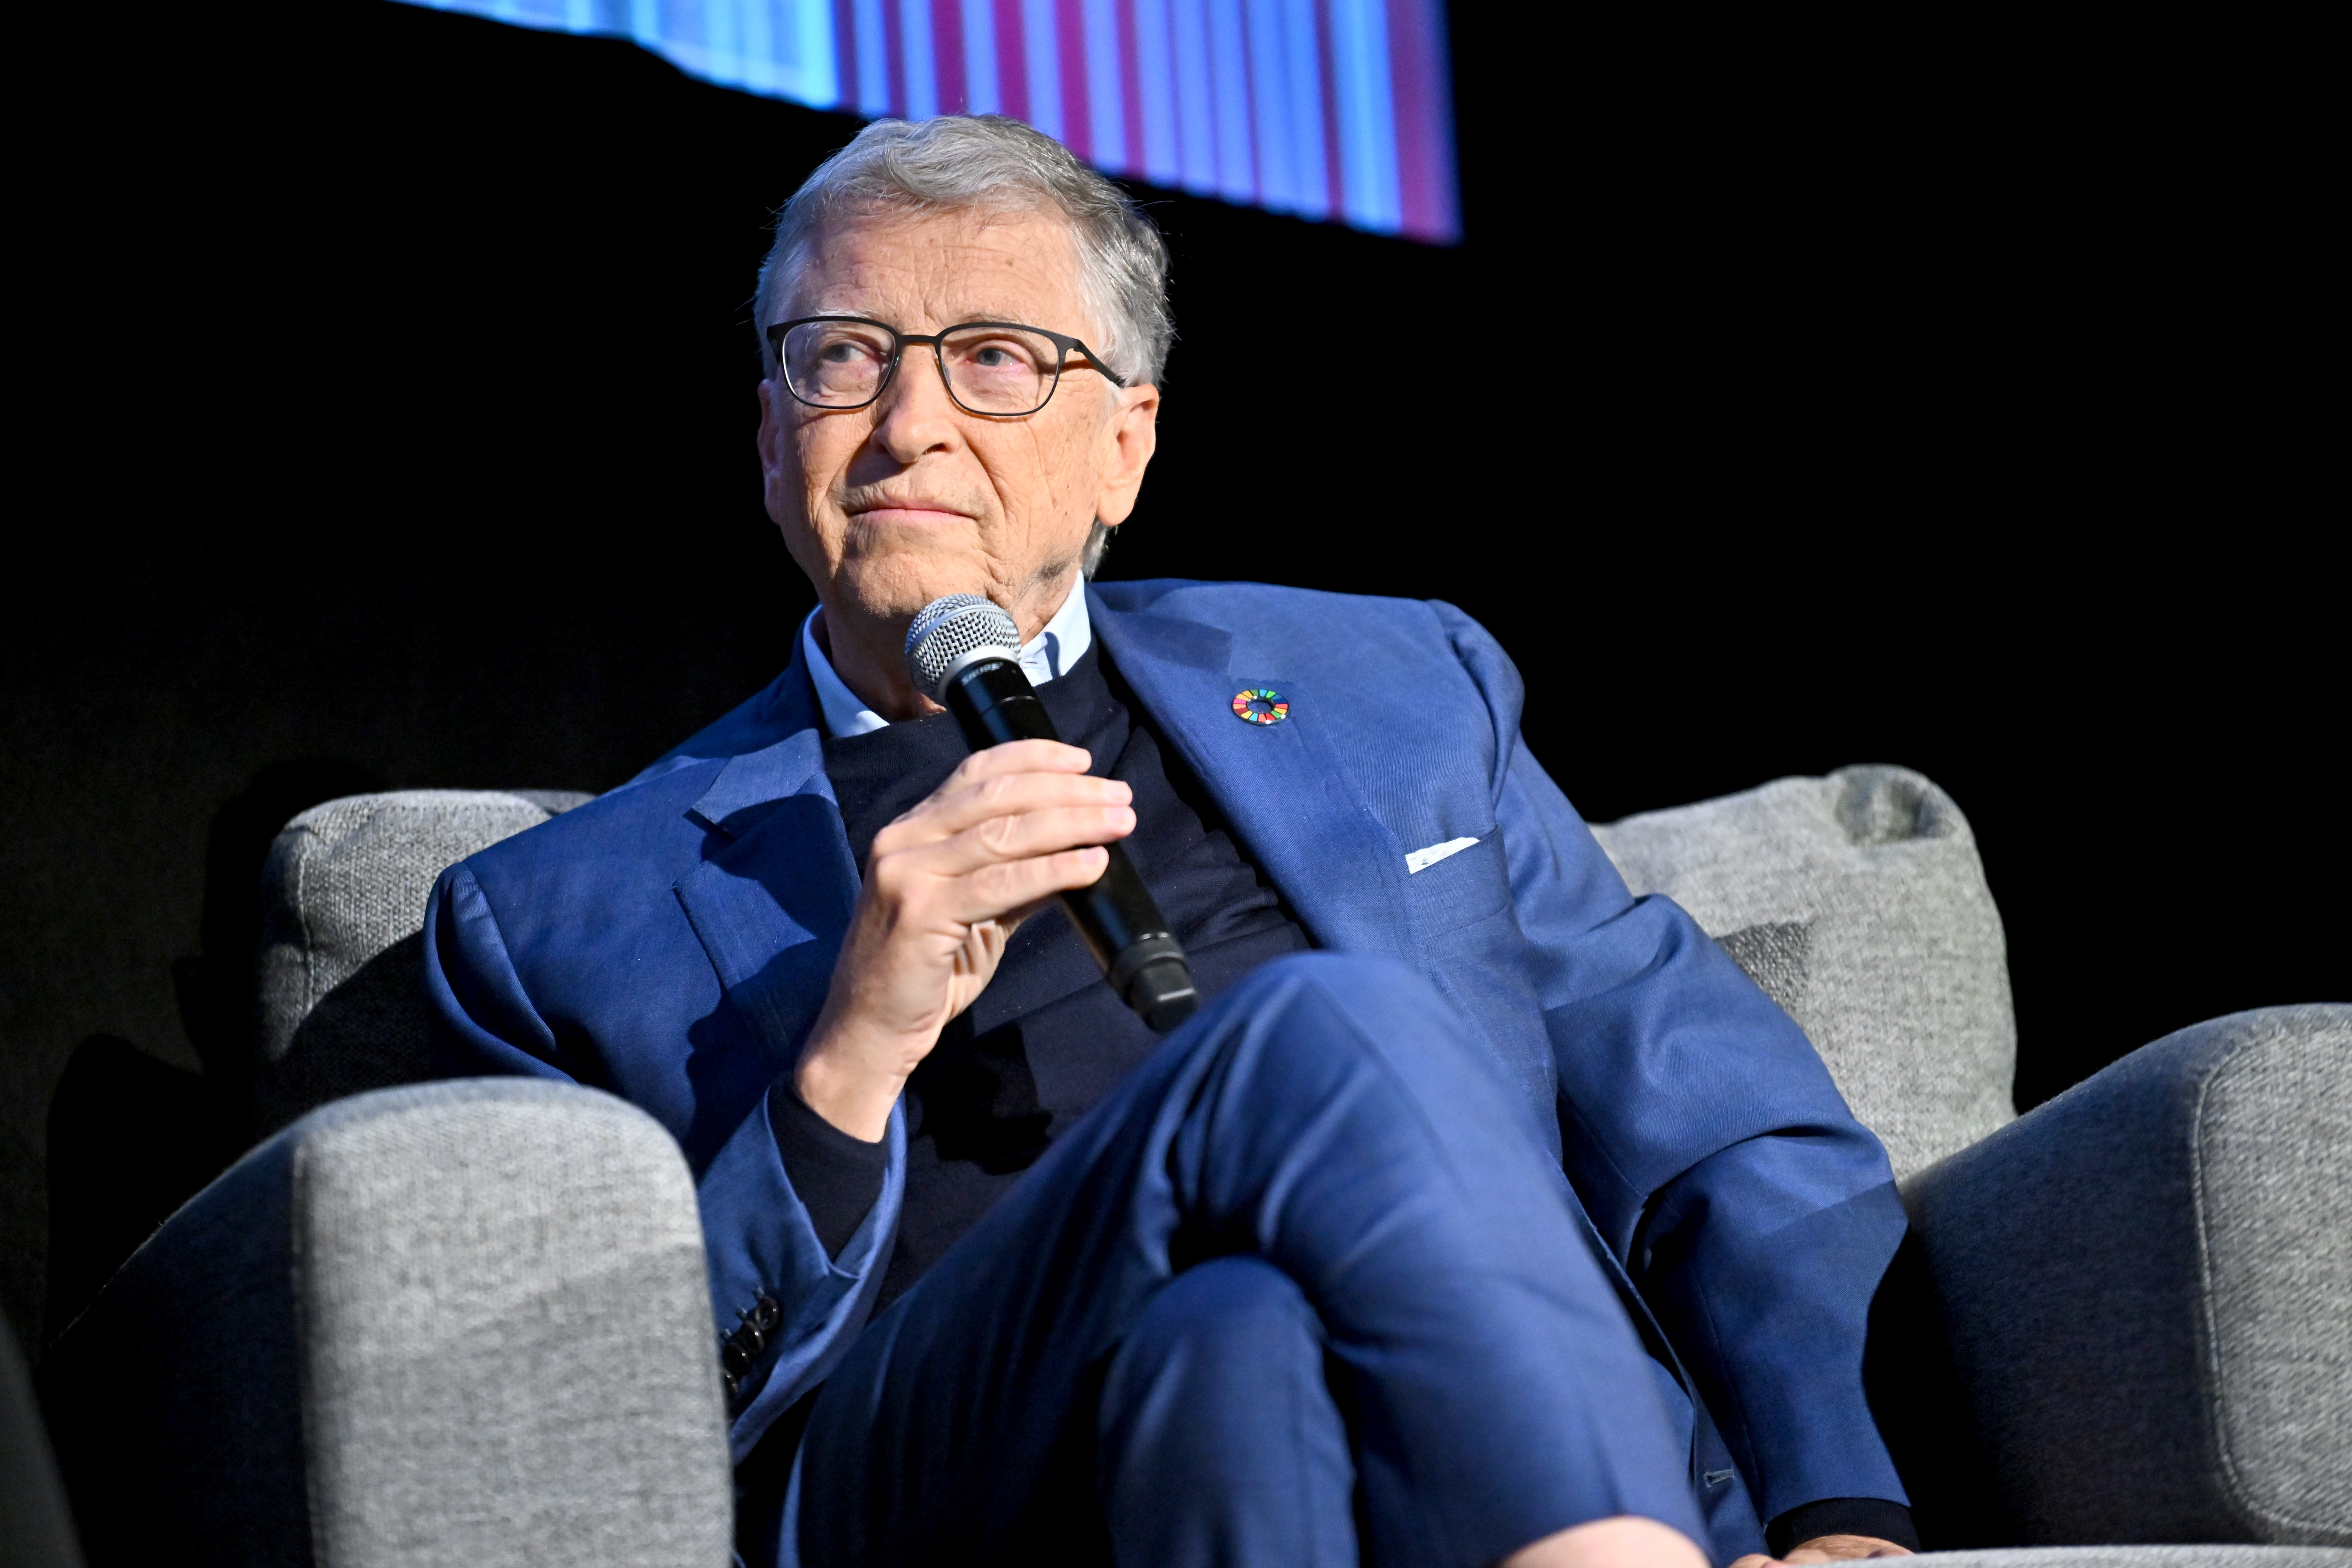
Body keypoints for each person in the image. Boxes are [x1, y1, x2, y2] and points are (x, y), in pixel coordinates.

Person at [423, 114, 1916, 1568]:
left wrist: (1836, 1510)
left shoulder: (1396, 690)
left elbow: (1716, 1113)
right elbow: (570, 1425)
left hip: (1325, 1429)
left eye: (995, 359)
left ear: (1125, 445)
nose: (909, 423)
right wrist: (844, 1066)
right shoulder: (552, 922)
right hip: (931, 1470)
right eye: (843, 356)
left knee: (1236, 1342)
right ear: (771, 435)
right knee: (1315, 1028)